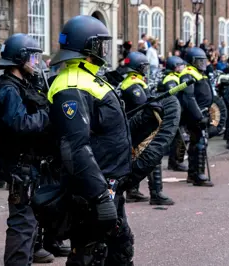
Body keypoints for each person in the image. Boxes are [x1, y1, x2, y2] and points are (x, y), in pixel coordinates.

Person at [48, 15, 149, 265]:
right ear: (89, 48)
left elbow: (104, 128)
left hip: (109, 184)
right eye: (102, 44)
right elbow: (75, 147)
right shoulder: (71, 84)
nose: (105, 50)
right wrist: (100, 196)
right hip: (93, 191)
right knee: (91, 255)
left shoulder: (90, 76)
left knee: (119, 250)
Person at [0, 33, 55, 265]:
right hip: (19, 166)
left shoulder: (21, 84)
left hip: (28, 163)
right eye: (32, 57)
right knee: (22, 222)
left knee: (30, 217)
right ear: (20, 58)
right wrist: (47, 116)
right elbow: (19, 123)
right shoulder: (8, 89)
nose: (36, 62)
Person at [119, 51, 174, 205]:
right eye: (144, 67)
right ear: (138, 67)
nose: (146, 70)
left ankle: (133, 191)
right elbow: (143, 105)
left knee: (135, 158)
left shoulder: (132, 82)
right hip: (138, 126)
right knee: (153, 156)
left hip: (133, 127)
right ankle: (156, 193)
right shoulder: (133, 85)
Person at [178, 47, 214, 186]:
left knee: (196, 142)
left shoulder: (199, 73)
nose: (202, 64)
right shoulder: (188, 74)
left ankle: (192, 174)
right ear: (192, 61)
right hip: (194, 114)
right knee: (200, 142)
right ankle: (198, 174)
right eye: (199, 61)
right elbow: (189, 98)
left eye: (203, 61)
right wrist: (199, 116)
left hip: (202, 112)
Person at [161, 56, 188, 172]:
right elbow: (173, 95)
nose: (182, 67)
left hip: (180, 112)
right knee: (178, 138)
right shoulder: (170, 79)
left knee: (180, 138)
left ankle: (177, 161)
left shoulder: (177, 77)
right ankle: (175, 162)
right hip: (173, 112)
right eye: (180, 65)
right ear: (174, 67)